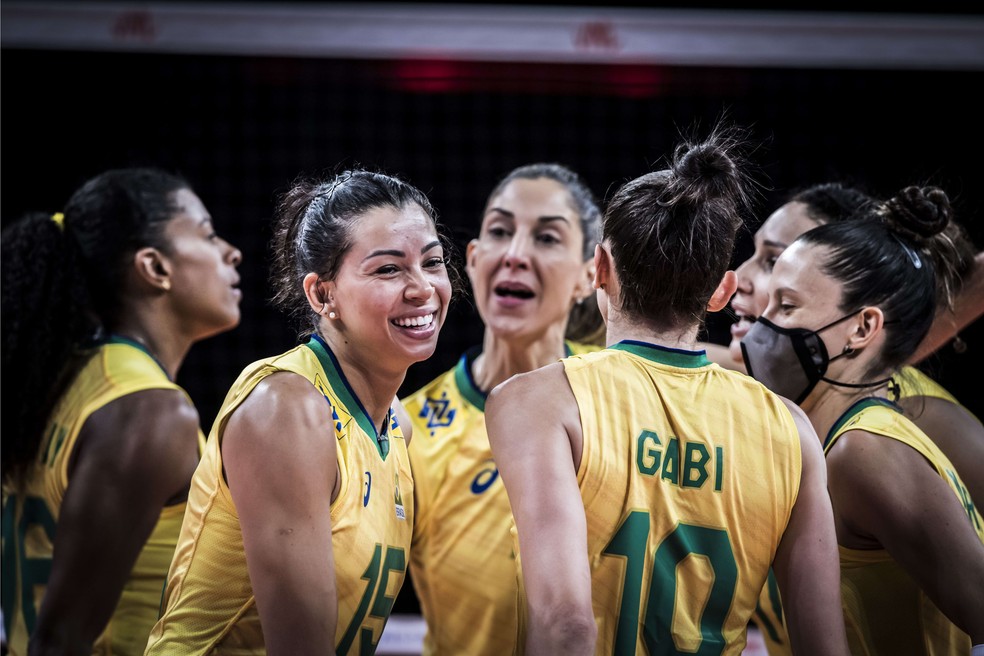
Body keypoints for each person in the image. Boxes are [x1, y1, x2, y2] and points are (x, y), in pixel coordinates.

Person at [486, 124, 848, 655]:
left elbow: (566, 625)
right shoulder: (791, 429)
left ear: (598, 271)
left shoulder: (535, 402)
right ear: (723, 291)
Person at [146, 169, 453, 655]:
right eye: (388, 269)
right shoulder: (286, 410)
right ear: (322, 295)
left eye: (432, 262)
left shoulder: (397, 424)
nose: (423, 288)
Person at [716, 182, 984, 656]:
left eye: (788, 306)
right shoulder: (830, 433)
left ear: (862, 328)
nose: (765, 324)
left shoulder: (864, 450)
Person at [0, 167, 243, 656]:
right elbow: (60, 641)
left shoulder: (62, 382)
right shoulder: (149, 411)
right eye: (207, 233)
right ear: (154, 268)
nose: (230, 251)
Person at [402, 163, 602, 655]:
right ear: (472, 259)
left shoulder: (625, 395)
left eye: (547, 238)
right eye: (499, 231)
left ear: (589, 275)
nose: (515, 254)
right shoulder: (406, 428)